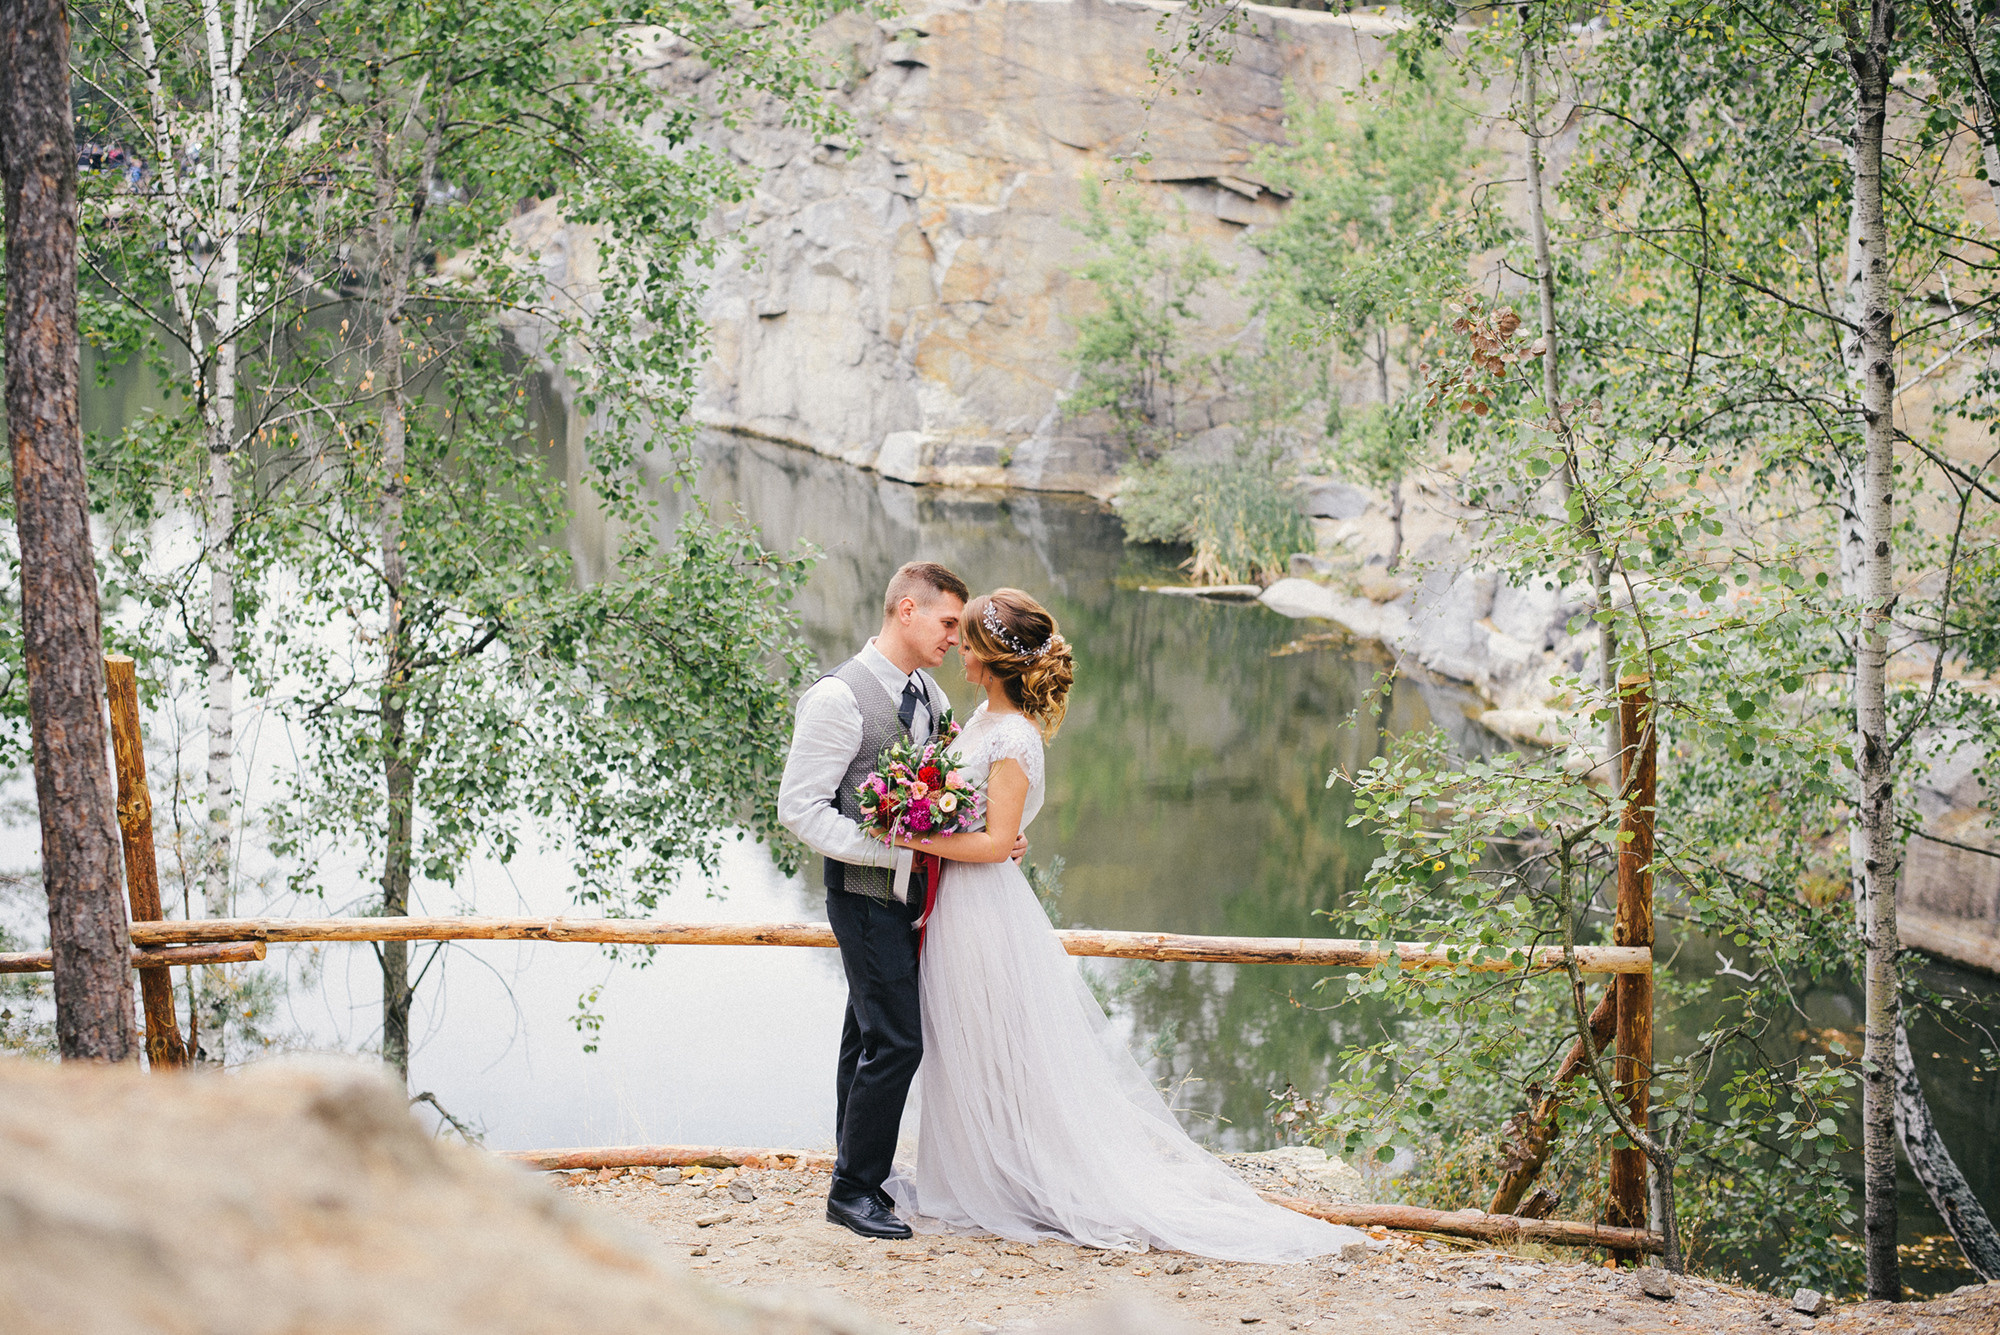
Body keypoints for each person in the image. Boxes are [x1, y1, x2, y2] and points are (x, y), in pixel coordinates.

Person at [880, 588, 1368, 1263]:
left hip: (984, 905)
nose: (957, 649)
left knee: (992, 1038)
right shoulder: (980, 719)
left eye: (966, 641)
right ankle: (971, 1174)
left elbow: (996, 841)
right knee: (964, 1036)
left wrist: (910, 832)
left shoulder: (1015, 735)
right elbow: (978, 820)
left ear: (991, 657)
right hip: (960, 903)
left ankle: (1012, 1181)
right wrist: (927, 817)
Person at [777, 561, 1025, 1241]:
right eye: (950, 622)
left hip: (915, 897)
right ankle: (853, 1190)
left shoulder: (931, 695)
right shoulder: (838, 698)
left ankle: (864, 1175)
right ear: (907, 610)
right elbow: (799, 809)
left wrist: (994, 834)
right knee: (897, 1039)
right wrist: (895, 851)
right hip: (862, 894)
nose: (957, 636)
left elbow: (946, 793)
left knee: (867, 1033)